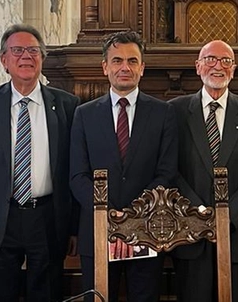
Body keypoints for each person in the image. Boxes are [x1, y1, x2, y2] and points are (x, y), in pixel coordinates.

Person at [0, 24, 80, 302]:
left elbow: (74, 171)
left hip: (48, 216)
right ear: (4, 60)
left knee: (48, 291)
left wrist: (74, 227)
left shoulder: (67, 104)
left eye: (33, 50)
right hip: (1, 218)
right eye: (17, 50)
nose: (25, 56)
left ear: (42, 58)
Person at [69, 30, 178, 302]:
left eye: (132, 60)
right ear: (105, 67)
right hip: (98, 231)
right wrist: (108, 216)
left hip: (146, 231)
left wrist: (132, 218)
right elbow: (77, 176)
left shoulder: (163, 113)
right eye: (117, 60)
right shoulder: (84, 114)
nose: (125, 67)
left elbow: (166, 173)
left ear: (142, 67)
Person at [170, 39, 238, 302]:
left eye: (226, 61)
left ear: (234, 69)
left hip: (236, 233)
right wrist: (199, 211)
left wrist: (226, 217)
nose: (218, 66)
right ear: (198, 67)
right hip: (190, 232)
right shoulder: (175, 111)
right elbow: (170, 170)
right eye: (211, 59)